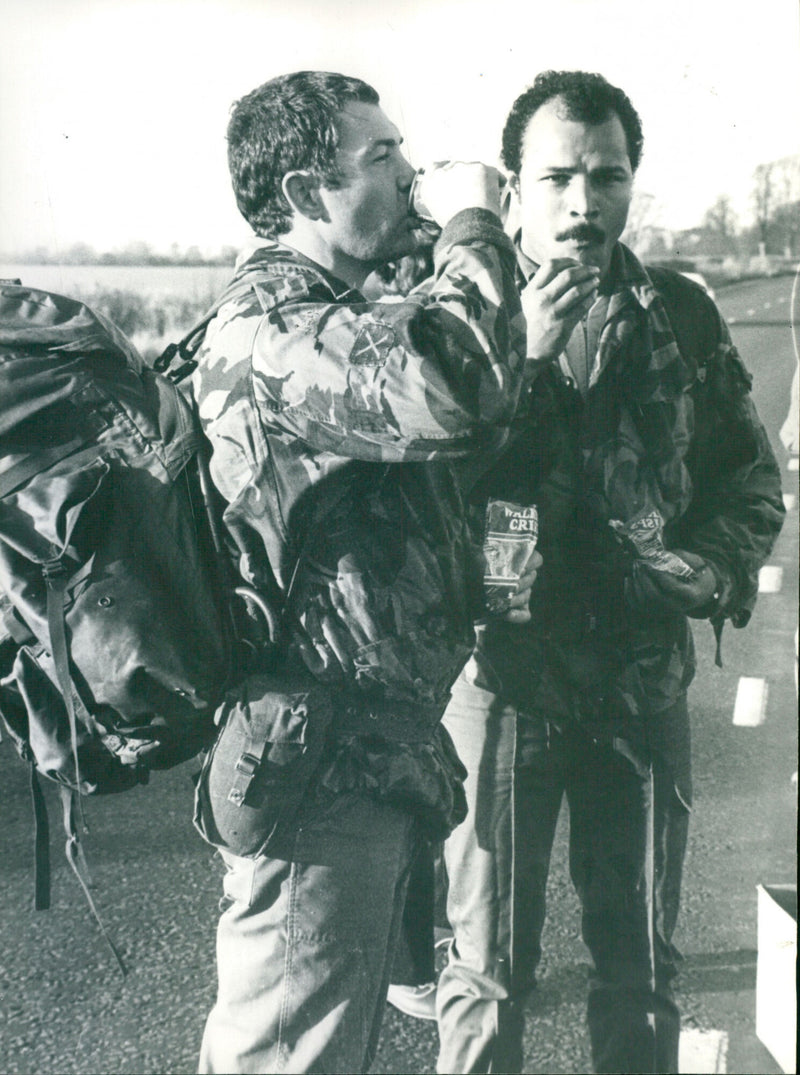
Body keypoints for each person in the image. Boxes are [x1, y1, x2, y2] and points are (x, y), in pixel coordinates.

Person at [435, 70, 786, 1075]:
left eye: (605, 177)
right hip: (501, 683)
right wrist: (523, 361)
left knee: (637, 968)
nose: (582, 204)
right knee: (486, 970)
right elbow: (422, 490)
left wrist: (705, 570)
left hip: (637, 684)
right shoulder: (460, 317)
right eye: (555, 178)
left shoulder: (675, 312)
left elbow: (750, 480)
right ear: (509, 190)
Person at [191, 70, 539, 1074]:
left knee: (313, 1049)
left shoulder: (336, 314)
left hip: (356, 756)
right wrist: (472, 220)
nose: (408, 173)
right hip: (319, 768)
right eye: (381, 158)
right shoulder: (276, 330)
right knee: (289, 1057)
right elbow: (451, 380)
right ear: (305, 193)